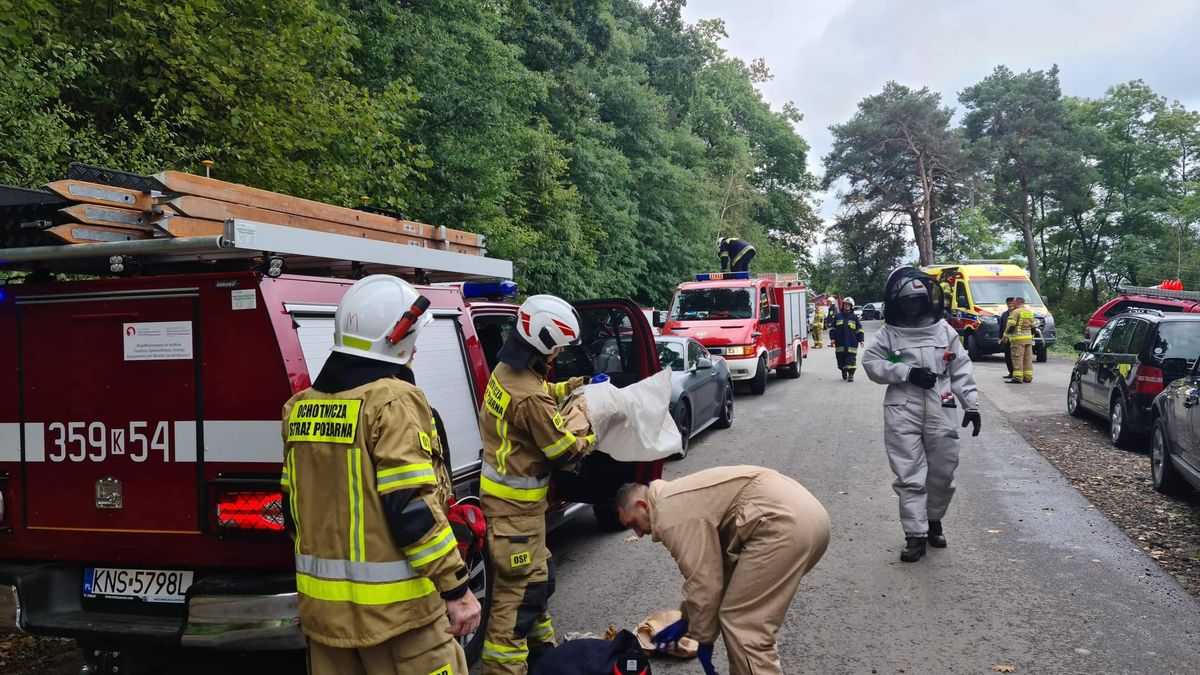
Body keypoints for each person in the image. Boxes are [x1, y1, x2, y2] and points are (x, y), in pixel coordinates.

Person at [280, 275, 480, 675]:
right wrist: (456, 589)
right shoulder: (392, 401)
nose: (417, 348)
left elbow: (292, 510)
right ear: (398, 338)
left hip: (325, 624)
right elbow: (411, 506)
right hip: (400, 621)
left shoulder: (299, 407)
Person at [478, 294, 597, 674]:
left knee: (538, 584)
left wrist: (575, 386)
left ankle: (544, 655)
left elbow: (540, 395)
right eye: (559, 346)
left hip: (515, 514)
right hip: (515, 515)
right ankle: (505, 668)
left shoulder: (507, 372)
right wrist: (593, 432)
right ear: (543, 341)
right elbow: (564, 452)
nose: (560, 353)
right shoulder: (528, 396)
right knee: (517, 600)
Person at [615, 466, 830, 675]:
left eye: (633, 523)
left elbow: (704, 582)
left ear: (642, 505)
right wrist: (688, 619)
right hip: (808, 517)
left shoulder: (668, 512)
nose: (639, 533)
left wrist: (703, 638)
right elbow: (723, 573)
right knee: (739, 612)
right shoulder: (677, 497)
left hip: (781, 525)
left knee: (744, 625)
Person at [863, 267, 981, 563]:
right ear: (898, 304)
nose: (912, 306)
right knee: (909, 475)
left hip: (941, 406)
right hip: (903, 406)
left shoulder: (944, 330)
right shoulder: (889, 333)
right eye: (907, 302)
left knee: (942, 474)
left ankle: (933, 522)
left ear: (927, 300)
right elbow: (871, 363)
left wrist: (972, 404)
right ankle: (915, 535)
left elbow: (961, 369)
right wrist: (906, 372)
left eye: (916, 301)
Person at [828, 296, 865, 382]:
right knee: (840, 361)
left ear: (851, 306)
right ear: (843, 305)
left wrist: (861, 340)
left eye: (849, 304)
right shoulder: (838, 316)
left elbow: (859, 329)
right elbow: (833, 328)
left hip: (852, 343)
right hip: (840, 343)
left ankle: (851, 374)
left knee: (851, 360)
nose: (847, 306)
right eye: (845, 304)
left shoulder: (854, 317)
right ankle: (843, 370)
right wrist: (832, 338)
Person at [1006, 296, 1036, 383]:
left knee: (1017, 358)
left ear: (1017, 302)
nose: (1012, 303)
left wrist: (1006, 336)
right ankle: (1028, 377)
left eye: (1014, 302)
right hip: (1028, 339)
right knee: (1028, 359)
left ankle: (1017, 378)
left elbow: (1011, 326)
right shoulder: (1029, 312)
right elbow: (1033, 328)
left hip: (1018, 340)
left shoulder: (1016, 312)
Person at [997, 297, 1015, 380]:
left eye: (1012, 303)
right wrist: (1000, 338)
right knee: (1007, 357)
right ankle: (1011, 372)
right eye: (1009, 303)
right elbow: (1001, 327)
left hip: (1015, 339)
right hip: (1006, 339)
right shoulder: (1004, 314)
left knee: (1015, 357)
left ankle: (1016, 373)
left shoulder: (1017, 313)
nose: (1010, 305)